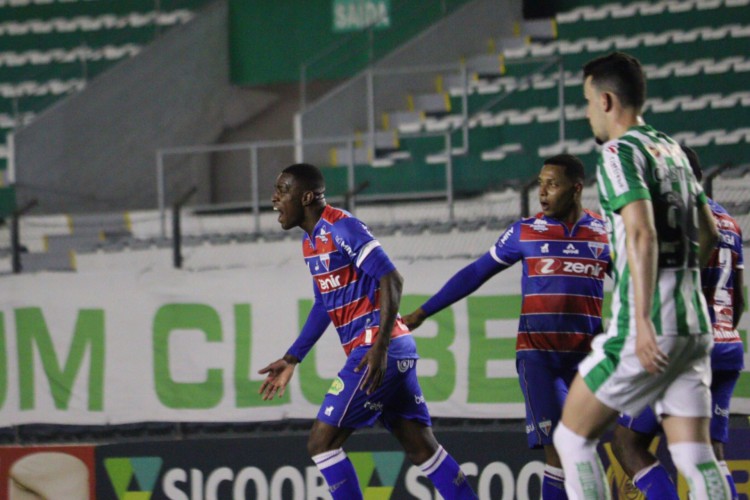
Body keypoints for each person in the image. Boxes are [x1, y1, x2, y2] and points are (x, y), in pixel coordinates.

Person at [552, 51, 729, 500]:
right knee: (696, 457)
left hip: (647, 324)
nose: (588, 112)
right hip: (694, 325)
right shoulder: (670, 148)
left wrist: (647, 319)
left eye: (588, 102)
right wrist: (681, 287)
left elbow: (641, 231)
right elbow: (708, 232)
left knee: (572, 438)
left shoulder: (618, 152)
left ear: (607, 101)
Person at [258, 163, 477, 500]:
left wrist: (380, 347)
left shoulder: (342, 227)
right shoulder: (310, 243)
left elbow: (392, 278)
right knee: (422, 449)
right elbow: (323, 304)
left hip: (376, 350)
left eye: (282, 190)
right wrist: (292, 358)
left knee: (321, 442)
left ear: (305, 197)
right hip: (391, 351)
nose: (274, 198)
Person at [403, 153, 611, 500]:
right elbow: (475, 273)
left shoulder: (604, 233)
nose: (542, 192)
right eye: (540, 183)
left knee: (581, 448)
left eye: (552, 184)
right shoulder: (525, 231)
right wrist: (424, 312)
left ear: (576, 189)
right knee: (559, 448)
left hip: (586, 359)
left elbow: (636, 283)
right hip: (538, 357)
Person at [610, 146, 745, 500]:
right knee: (710, 449)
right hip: (728, 344)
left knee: (628, 441)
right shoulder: (731, 223)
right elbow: (739, 297)